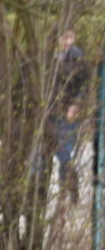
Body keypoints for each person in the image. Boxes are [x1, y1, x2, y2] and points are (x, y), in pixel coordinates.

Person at [51, 28, 91, 208]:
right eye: (63, 37)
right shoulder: (56, 57)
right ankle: (66, 191)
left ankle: (68, 190)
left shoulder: (77, 57)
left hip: (70, 112)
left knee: (64, 150)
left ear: (73, 38)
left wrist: (75, 105)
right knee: (61, 153)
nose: (65, 41)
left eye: (68, 37)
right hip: (56, 111)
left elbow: (84, 85)